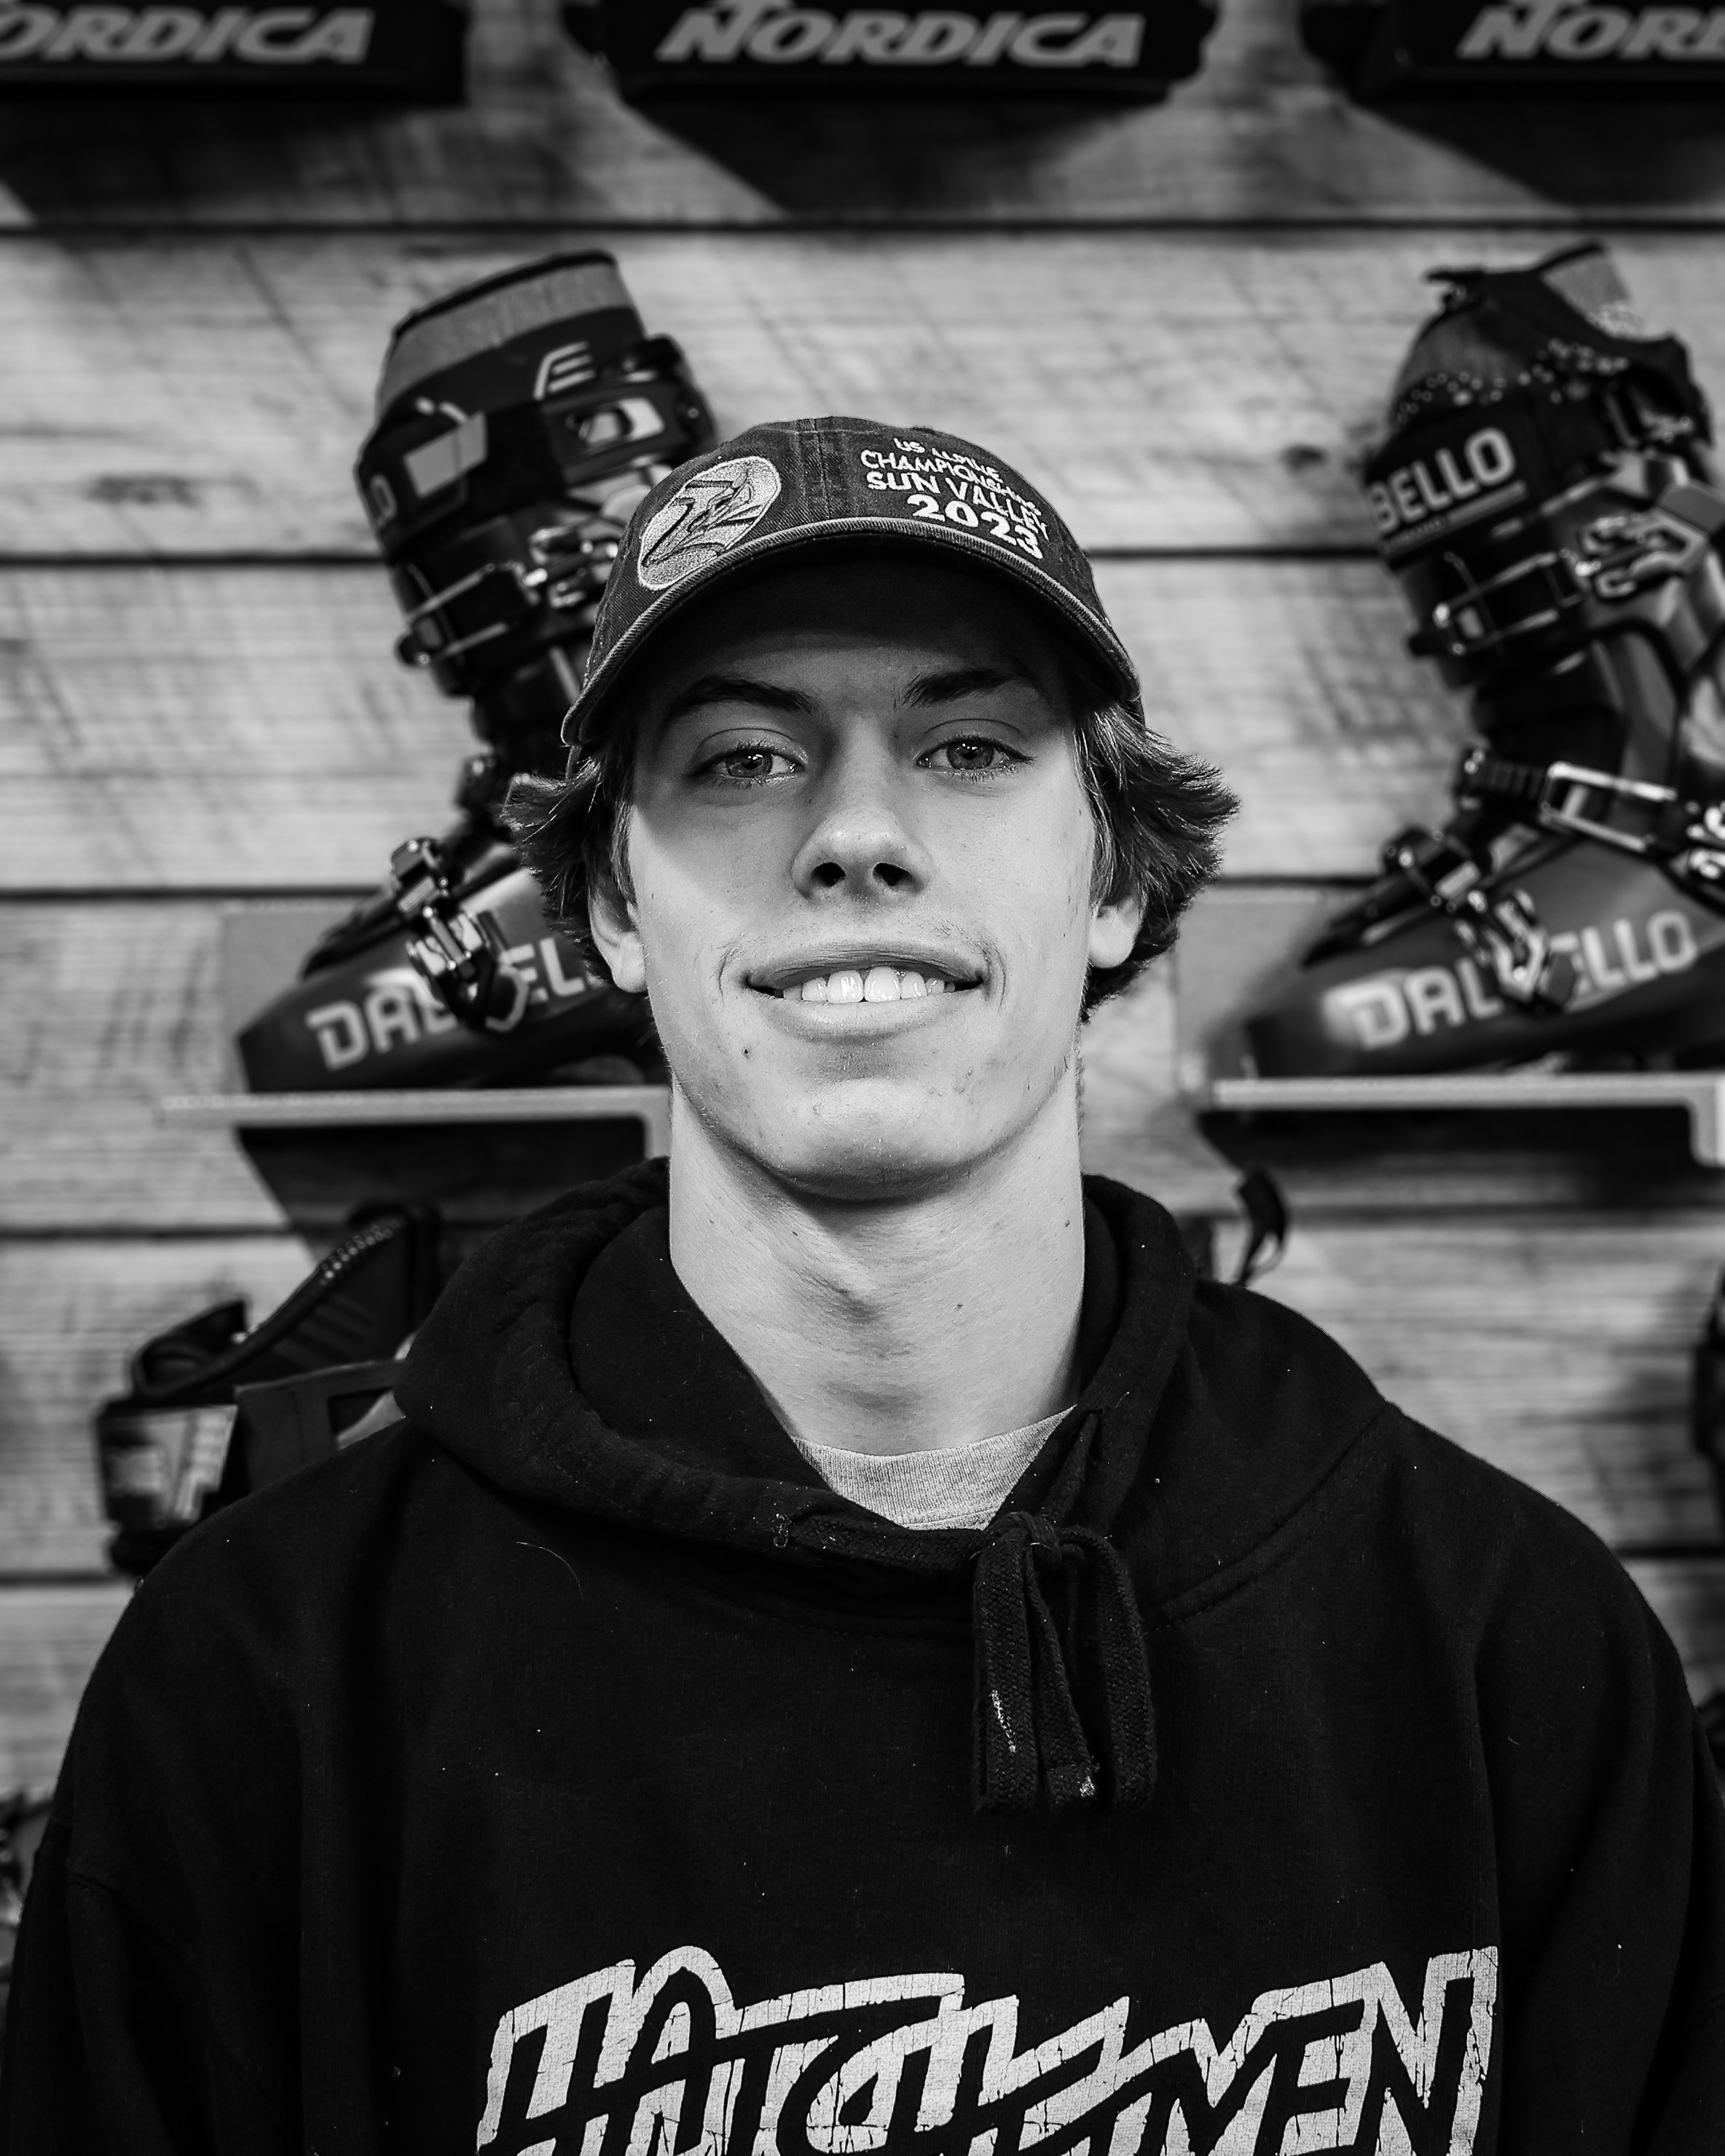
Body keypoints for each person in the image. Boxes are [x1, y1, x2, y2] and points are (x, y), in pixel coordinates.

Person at [6, 417, 1724, 2152]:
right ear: (606, 899)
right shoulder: (264, 1681)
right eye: (741, 759)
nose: (853, 836)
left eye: (968, 745)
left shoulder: (1510, 1648)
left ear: (1117, 874)